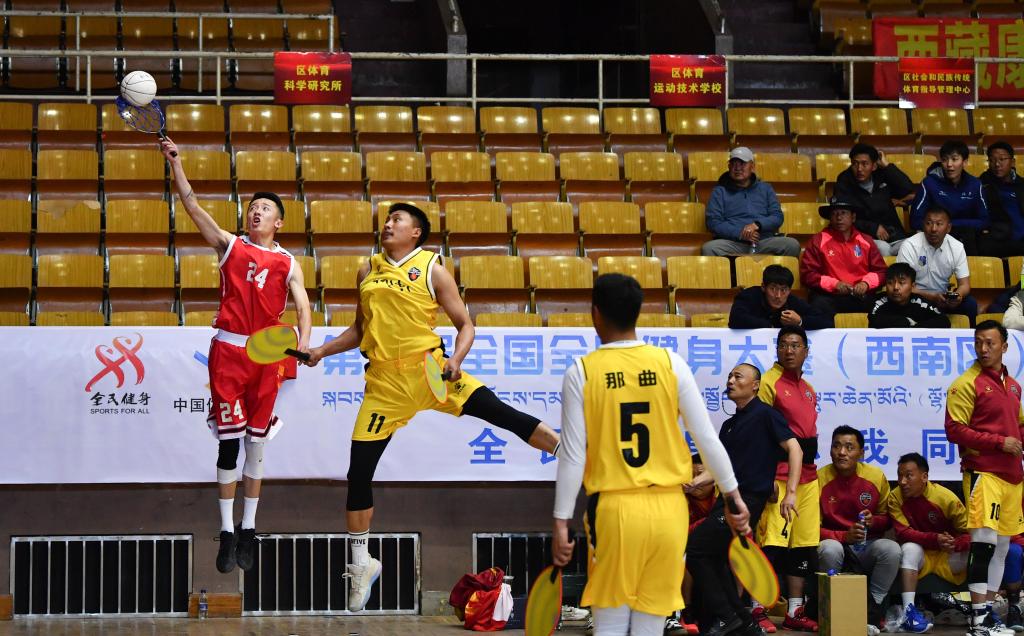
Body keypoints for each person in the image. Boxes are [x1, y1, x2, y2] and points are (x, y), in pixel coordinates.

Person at [301, 202, 561, 612]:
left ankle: (570, 451)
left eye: (397, 220)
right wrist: (321, 351)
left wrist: (456, 359)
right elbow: (360, 329)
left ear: (416, 233)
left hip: (432, 372)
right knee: (358, 473)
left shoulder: (432, 269)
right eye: (387, 219)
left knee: (502, 414)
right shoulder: (367, 271)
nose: (388, 224)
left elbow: (466, 324)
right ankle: (362, 563)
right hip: (385, 384)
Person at [551, 273, 750, 636]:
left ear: (595, 313)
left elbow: (573, 455)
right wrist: (733, 497)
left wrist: (561, 520)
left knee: (610, 624)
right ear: (638, 312)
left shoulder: (581, 371)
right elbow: (707, 438)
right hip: (668, 511)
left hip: (615, 510)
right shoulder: (670, 363)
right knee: (651, 625)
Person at [159, 137, 313, 574]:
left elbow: (304, 307)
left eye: (264, 207)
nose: (255, 211)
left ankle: (249, 528)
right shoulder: (229, 244)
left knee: (256, 445)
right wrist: (177, 164)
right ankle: (226, 531)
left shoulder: (289, 262)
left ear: (278, 221)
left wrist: (303, 342)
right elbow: (192, 207)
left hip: (268, 354)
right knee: (229, 443)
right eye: (252, 206)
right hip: (228, 350)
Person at [685, 363, 802, 636]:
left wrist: (791, 492)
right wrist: (693, 483)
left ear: (755, 385)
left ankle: (728, 617)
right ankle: (743, 623)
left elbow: (795, 449)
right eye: (729, 376)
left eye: (738, 376)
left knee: (697, 547)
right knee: (715, 559)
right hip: (725, 500)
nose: (731, 380)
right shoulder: (729, 425)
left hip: (747, 502)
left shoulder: (766, 415)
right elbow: (718, 468)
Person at [945, 320, 1024, 636]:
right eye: (978, 342)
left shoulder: (1013, 385)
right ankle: (978, 621)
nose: (983, 348)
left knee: (1002, 547)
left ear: (1004, 346)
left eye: (990, 343)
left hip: (1012, 477)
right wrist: (999, 442)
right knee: (984, 545)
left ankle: (988, 616)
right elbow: (954, 429)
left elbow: (1019, 425)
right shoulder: (966, 383)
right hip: (984, 473)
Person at [755, 326, 821, 632]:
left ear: (806, 351)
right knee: (772, 544)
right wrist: (765, 475)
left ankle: (795, 610)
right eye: (783, 345)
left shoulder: (808, 388)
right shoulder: (769, 383)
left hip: (808, 476)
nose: (789, 350)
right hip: (779, 475)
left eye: (795, 345)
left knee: (802, 546)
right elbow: (759, 431)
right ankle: (757, 608)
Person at [817, 426, 901, 631]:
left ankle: (873, 608)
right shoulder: (819, 478)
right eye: (836, 446)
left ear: (861, 453)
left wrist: (874, 522)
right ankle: (832, 608)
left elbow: (887, 519)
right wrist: (843, 536)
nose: (841, 452)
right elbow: (810, 529)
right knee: (829, 548)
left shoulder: (875, 476)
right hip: (836, 544)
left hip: (866, 546)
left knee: (891, 549)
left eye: (849, 447)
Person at [887, 452, 971, 633]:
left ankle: (982, 611)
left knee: (981, 549)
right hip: (921, 557)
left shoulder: (945, 498)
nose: (902, 482)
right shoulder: (895, 497)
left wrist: (955, 544)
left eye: (908, 476)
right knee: (909, 548)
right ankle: (909, 612)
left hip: (947, 556)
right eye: (900, 476)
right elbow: (903, 533)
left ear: (924, 477)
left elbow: (970, 533)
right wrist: (935, 539)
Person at [701, 146, 800, 257]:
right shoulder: (719, 191)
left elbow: (777, 217)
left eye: (742, 163)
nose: (737, 168)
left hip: (763, 241)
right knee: (709, 248)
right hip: (734, 242)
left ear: (752, 166)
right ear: (729, 167)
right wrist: (740, 233)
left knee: (792, 245)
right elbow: (713, 222)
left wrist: (757, 225)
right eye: (733, 164)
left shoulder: (766, 188)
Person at [800, 198, 888, 316]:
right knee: (818, 305)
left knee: (882, 307)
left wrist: (866, 284)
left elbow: (881, 272)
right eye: (834, 214)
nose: (839, 218)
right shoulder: (817, 240)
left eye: (843, 213)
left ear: (853, 217)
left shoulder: (866, 240)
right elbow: (808, 275)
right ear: (830, 218)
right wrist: (835, 284)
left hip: (861, 296)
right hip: (829, 296)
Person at [896, 207, 976, 324]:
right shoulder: (910, 245)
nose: (933, 229)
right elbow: (901, 285)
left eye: (939, 224)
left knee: (970, 304)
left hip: (943, 299)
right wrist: (931, 296)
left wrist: (957, 296)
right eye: (929, 223)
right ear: (923, 225)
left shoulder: (957, 247)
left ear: (948, 228)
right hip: (914, 297)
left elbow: (964, 285)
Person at [833, 143, 916, 256]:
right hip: (863, 236)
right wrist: (873, 228)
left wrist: (887, 166)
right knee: (883, 249)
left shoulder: (883, 174)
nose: (859, 169)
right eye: (855, 164)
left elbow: (907, 189)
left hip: (894, 235)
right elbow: (842, 217)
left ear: (874, 166)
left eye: (865, 164)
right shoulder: (844, 181)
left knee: (911, 247)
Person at [911, 140, 989, 255]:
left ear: (965, 162)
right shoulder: (929, 183)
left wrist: (950, 225)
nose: (949, 164)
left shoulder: (975, 185)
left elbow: (985, 221)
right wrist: (943, 227)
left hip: (967, 237)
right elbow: (916, 220)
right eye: (944, 159)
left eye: (954, 159)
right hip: (937, 238)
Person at [728, 264, 833, 330]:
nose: (778, 296)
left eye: (783, 290)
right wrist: (770, 326)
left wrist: (800, 321)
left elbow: (826, 321)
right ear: (763, 287)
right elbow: (735, 319)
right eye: (773, 289)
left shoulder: (793, 301)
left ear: (789, 290)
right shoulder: (749, 296)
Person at [868, 262, 951, 329]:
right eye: (890, 283)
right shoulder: (879, 301)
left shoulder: (919, 302)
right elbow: (873, 320)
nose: (896, 287)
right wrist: (906, 322)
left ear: (912, 286)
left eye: (901, 283)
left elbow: (944, 321)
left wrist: (913, 329)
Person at [978, 141, 1024, 258]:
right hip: (998, 242)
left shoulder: (1022, 185)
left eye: (1002, 159)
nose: (997, 164)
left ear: (1012, 162)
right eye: (992, 160)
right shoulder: (981, 186)